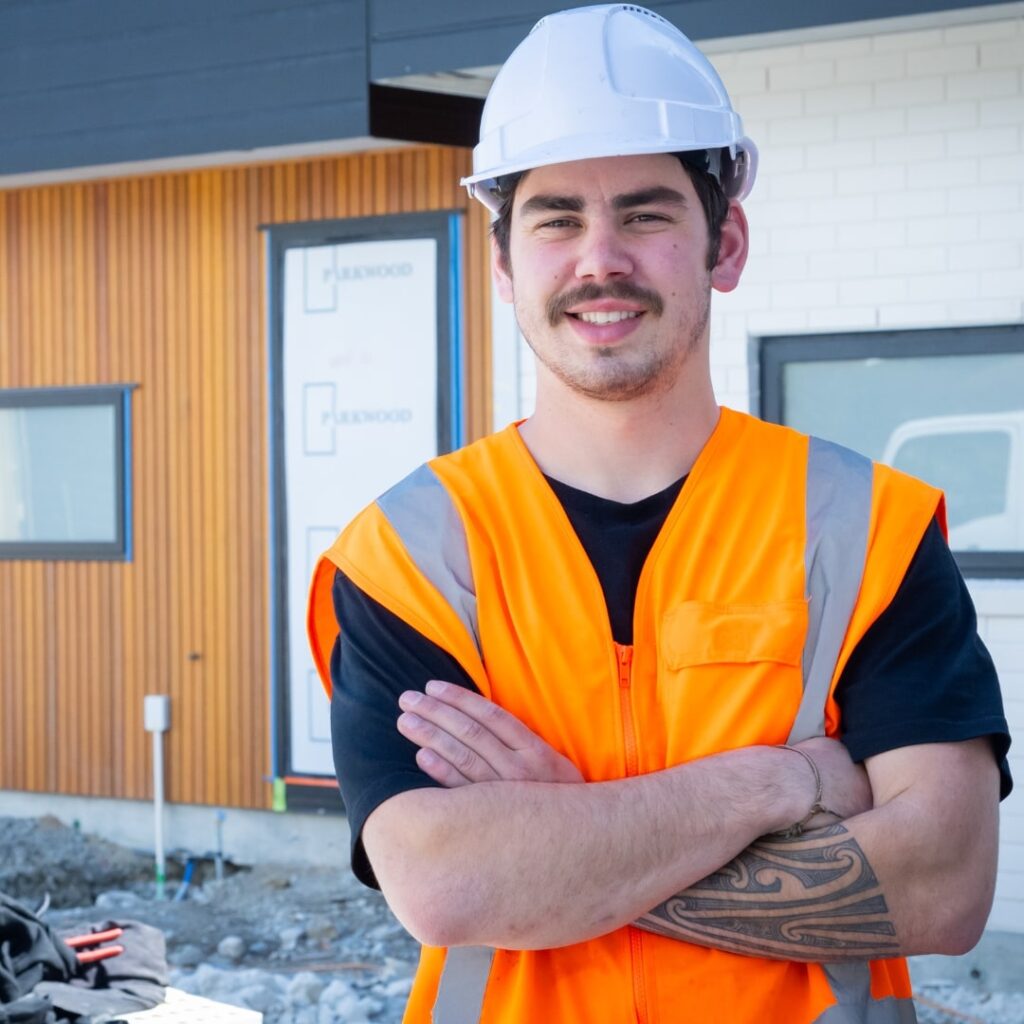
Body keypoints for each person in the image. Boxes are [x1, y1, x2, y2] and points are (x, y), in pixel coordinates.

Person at [307, 5, 1012, 1022]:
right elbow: (444, 885)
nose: (600, 260)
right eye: (555, 217)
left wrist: (560, 850)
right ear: (504, 265)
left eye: (645, 213)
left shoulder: (865, 531)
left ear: (723, 242)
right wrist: (771, 786)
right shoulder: (410, 553)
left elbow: (942, 886)